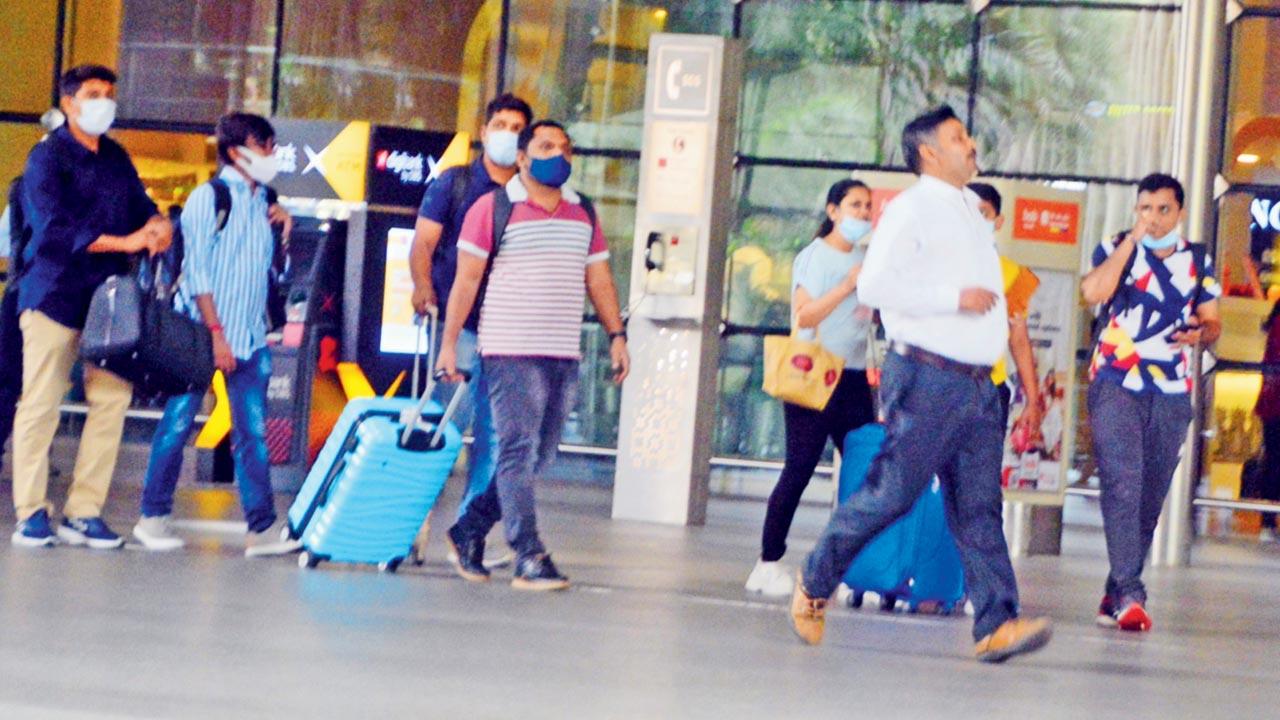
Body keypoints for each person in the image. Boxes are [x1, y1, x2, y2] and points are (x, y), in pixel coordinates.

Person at [786, 105, 1052, 664]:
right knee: (893, 492)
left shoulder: (968, 212)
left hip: (979, 387)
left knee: (979, 507)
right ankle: (815, 580)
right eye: (959, 137)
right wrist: (953, 299)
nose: (972, 144)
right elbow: (876, 286)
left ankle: (996, 624)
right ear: (929, 153)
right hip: (930, 376)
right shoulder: (910, 210)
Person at [437, 120, 630, 590]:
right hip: (508, 348)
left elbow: (599, 279)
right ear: (522, 158)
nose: (558, 155)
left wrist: (616, 334)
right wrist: (449, 343)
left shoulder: (582, 211)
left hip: (561, 351)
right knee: (518, 450)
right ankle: (528, 552)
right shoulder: (493, 207)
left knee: (540, 455)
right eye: (546, 146)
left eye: (565, 148)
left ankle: (468, 529)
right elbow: (466, 281)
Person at [10, 65, 172, 548]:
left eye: (108, 94)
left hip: (110, 301)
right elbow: (54, 230)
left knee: (112, 402)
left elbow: (142, 206)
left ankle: (84, 511)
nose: (103, 102)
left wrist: (158, 224)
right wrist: (127, 239)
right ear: (68, 104)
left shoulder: (117, 157)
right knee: (41, 402)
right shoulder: (47, 158)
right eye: (93, 94)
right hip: (54, 295)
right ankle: (31, 511)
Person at [131, 112, 297, 556]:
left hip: (251, 336)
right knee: (178, 423)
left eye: (271, 145)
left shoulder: (267, 202)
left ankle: (260, 529)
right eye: (263, 145)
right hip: (203, 334)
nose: (271, 153)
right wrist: (216, 334)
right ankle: (153, 516)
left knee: (253, 433)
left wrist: (283, 233)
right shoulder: (210, 197)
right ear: (235, 152)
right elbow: (198, 273)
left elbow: (273, 275)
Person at [1080, 173, 1221, 632]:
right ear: (1136, 210)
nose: (1154, 218)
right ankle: (1132, 595)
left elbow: (1212, 320)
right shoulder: (1115, 247)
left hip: (1173, 388)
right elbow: (1094, 292)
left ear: (1179, 211)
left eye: (1163, 210)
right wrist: (1130, 244)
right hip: (1117, 379)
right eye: (1146, 209)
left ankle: (1116, 589)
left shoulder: (1197, 260)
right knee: (1122, 481)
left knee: (1148, 495)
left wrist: (1202, 333)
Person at [409, 93, 532, 567]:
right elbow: (423, 244)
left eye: (516, 126)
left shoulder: (530, 194)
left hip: (507, 336)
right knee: (441, 432)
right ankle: (409, 526)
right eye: (499, 123)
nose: (506, 132)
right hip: (457, 331)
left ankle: (468, 536)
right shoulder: (454, 184)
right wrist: (423, 285)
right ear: (483, 133)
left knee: (494, 441)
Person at [745, 178, 875, 597]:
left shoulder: (866, 259)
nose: (863, 214)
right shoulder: (815, 258)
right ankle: (767, 562)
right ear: (833, 210)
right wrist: (846, 286)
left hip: (853, 377)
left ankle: (853, 568)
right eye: (855, 205)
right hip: (813, 373)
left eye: (868, 207)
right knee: (799, 469)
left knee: (865, 474)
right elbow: (805, 316)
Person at [1, 109, 67, 481]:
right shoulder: (36, 186)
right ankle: (32, 459)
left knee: (22, 381)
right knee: (33, 383)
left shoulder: (20, 186)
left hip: (23, 289)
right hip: (40, 292)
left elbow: (9, 243)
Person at [967, 182, 1043, 445]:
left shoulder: (1013, 275)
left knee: (982, 479)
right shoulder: (934, 265)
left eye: (983, 214)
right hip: (938, 384)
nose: (975, 221)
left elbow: (1019, 340)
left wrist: (1033, 401)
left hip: (989, 385)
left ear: (998, 222)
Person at [1254, 301, 1280, 543]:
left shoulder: (1275, 322)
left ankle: (1268, 521)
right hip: (1276, 403)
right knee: (1275, 462)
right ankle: (1269, 521)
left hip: (1272, 403)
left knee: (1273, 460)